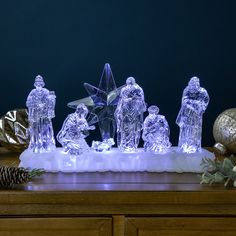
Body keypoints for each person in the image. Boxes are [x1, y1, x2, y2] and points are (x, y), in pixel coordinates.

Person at [176, 77, 209, 153]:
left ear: (198, 84)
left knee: (195, 130)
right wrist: (193, 103)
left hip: (196, 116)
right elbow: (184, 101)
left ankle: (193, 147)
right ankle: (184, 146)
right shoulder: (187, 90)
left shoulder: (203, 92)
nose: (193, 87)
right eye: (191, 84)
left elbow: (203, 103)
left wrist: (193, 104)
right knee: (185, 130)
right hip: (186, 114)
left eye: (195, 85)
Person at [115, 77, 146, 151]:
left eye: (130, 82)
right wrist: (118, 110)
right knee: (124, 128)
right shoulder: (123, 90)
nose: (129, 83)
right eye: (128, 82)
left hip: (135, 111)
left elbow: (141, 100)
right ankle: (124, 144)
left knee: (134, 128)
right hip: (125, 111)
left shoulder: (138, 89)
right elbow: (121, 100)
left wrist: (134, 99)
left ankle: (133, 145)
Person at [26, 75, 56, 153]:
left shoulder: (46, 91)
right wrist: (36, 105)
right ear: (35, 84)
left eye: (40, 84)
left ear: (42, 84)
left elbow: (50, 101)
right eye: (37, 84)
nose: (39, 85)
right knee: (36, 131)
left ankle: (46, 146)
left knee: (46, 129)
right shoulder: (32, 92)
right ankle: (36, 145)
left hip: (44, 115)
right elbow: (28, 102)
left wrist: (48, 102)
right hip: (36, 116)